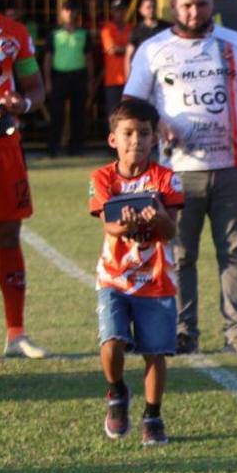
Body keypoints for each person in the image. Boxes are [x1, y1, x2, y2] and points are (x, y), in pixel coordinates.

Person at [124, 0, 237, 356]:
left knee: (235, 252)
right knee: (181, 254)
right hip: (177, 172)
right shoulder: (154, 49)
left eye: (202, 4)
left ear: (212, 3)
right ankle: (184, 331)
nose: (195, 12)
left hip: (233, 166)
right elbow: (130, 104)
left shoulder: (234, 44)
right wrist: (158, 124)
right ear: (174, 9)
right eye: (187, 6)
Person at [88, 99, 184, 446]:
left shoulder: (167, 178)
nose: (136, 141)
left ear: (154, 138)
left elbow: (171, 231)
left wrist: (157, 218)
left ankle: (153, 415)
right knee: (111, 341)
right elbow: (109, 226)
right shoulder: (101, 178)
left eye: (144, 133)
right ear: (113, 138)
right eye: (128, 133)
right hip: (115, 276)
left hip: (156, 278)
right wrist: (124, 223)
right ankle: (116, 392)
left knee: (155, 352)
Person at [0, 8, 48, 359]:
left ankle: (16, 333)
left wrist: (24, 103)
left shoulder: (13, 32)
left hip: (4, 144)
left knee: (7, 233)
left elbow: (35, 87)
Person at [43, 1, 93, 157]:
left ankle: (76, 148)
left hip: (79, 77)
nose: (70, 13)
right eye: (66, 10)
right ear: (61, 13)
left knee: (78, 114)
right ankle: (53, 148)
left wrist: (90, 81)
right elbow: (48, 59)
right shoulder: (54, 34)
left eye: (72, 10)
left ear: (77, 13)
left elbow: (89, 58)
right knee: (56, 114)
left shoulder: (84, 34)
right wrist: (48, 81)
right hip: (59, 77)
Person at [99, 0, 131, 123]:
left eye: (122, 10)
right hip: (112, 80)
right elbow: (111, 50)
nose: (120, 13)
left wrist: (121, 48)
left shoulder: (131, 28)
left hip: (129, 79)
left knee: (129, 114)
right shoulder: (107, 29)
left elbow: (137, 49)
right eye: (117, 10)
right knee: (114, 115)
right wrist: (129, 49)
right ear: (112, 12)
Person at [125, 0, 171, 79]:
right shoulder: (136, 30)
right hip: (143, 74)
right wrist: (128, 79)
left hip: (163, 72)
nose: (151, 10)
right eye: (148, 7)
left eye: (153, 7)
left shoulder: (166, 28)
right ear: (141, 10)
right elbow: (129, 57)